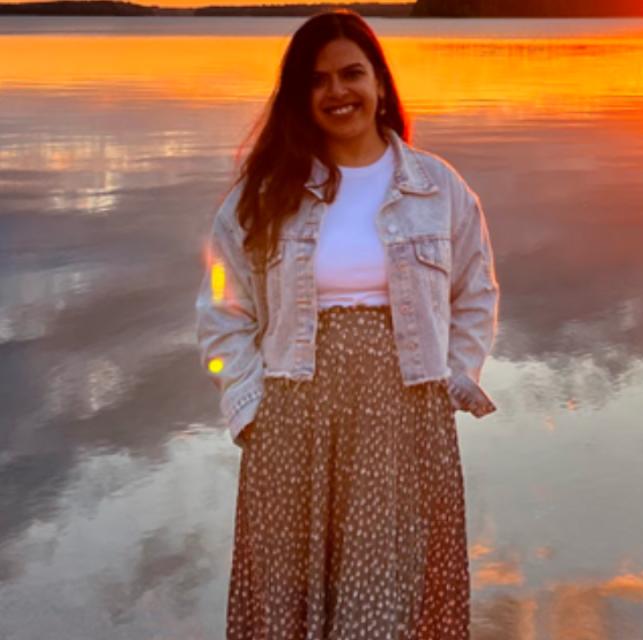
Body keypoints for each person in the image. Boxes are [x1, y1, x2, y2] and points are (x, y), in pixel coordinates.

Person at [194, 9, 499, 639]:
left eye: (352, 74)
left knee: (390, 595)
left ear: (380, 83)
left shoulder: (436, 187)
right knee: (287, 596)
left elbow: (476, 291)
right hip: (291, 422)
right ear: (300, 97)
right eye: (318, 80)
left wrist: (451, 380)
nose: (338, 92)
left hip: (405, 424)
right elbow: (223, 311)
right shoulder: (263, 195)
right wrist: (251, 408)